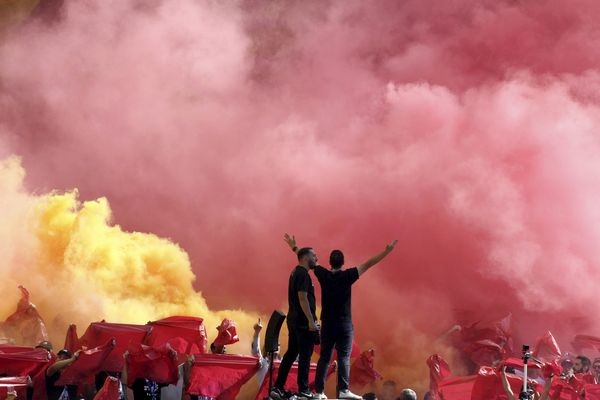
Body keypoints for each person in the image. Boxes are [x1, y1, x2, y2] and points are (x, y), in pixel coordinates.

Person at [284, 234, 398, 400]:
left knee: (325, 357)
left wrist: (294, 247)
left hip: (328, 323)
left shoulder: (322, 273)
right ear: (342, 263)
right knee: (344, 356)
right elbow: (369, 264)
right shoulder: (348, 275)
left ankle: (319, 392)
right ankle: (343, 390)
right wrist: (386, 251)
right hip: (344, 324)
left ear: (329, 262)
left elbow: (307, 260)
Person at [270, 247, 320, 400]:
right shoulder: (303, 274)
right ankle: (304, 390)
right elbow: (303, 298)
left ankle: (278, 387)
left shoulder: (295, 273)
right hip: (303, 323)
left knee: (291, 353)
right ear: (305, 258)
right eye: (314, 255)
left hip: (294, 320)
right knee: (305, 355)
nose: (316, 258)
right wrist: (311, 322)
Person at [251, 318, 281, 388]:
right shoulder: (263, 363)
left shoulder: (284, 364)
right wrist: (257, 333)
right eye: (273, 343)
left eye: (278, 344)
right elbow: (256, 349)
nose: (275, 346)